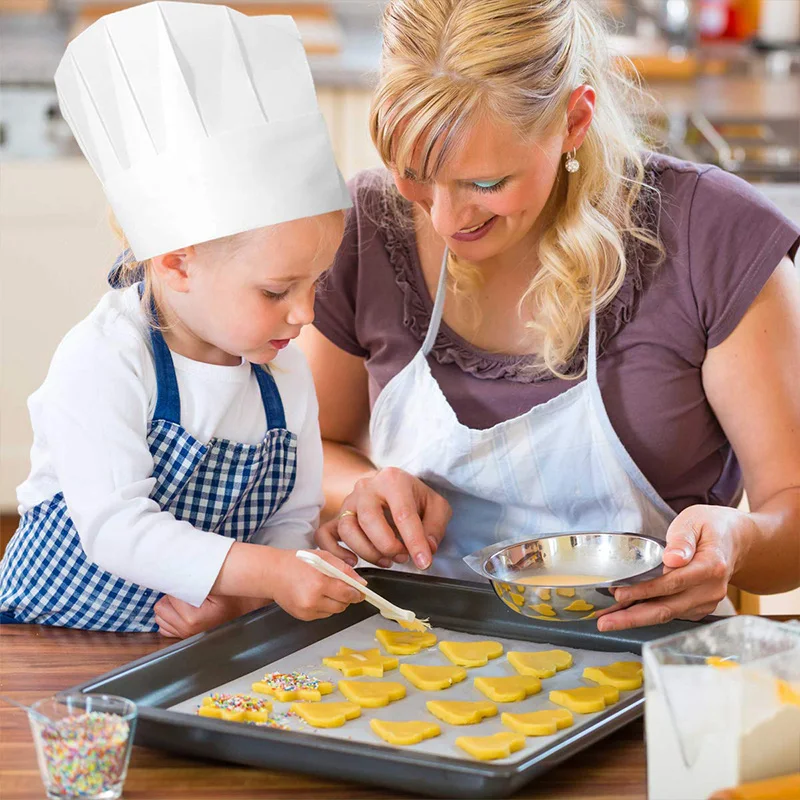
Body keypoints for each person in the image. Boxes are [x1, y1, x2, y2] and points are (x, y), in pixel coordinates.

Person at [301, 0, 800, 630]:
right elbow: (317, 447)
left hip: (645, 663)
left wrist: (739, 543)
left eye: (485, 183)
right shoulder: (367, 227)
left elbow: (792, 515)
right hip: (406, 651)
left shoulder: (713, 235)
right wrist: (362, 495)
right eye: (416, 175)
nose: (446, 219)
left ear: (574, 120)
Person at [0, 1, 364, 634]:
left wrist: (246, 599)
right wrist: (273, 576)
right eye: (277, 290)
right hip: (50, 643)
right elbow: (118, 530)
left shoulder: (283, 377)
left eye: (317, 283)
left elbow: (288, 521)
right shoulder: (107, 359)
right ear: (176, 264)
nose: (305, 313)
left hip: (178, 654)